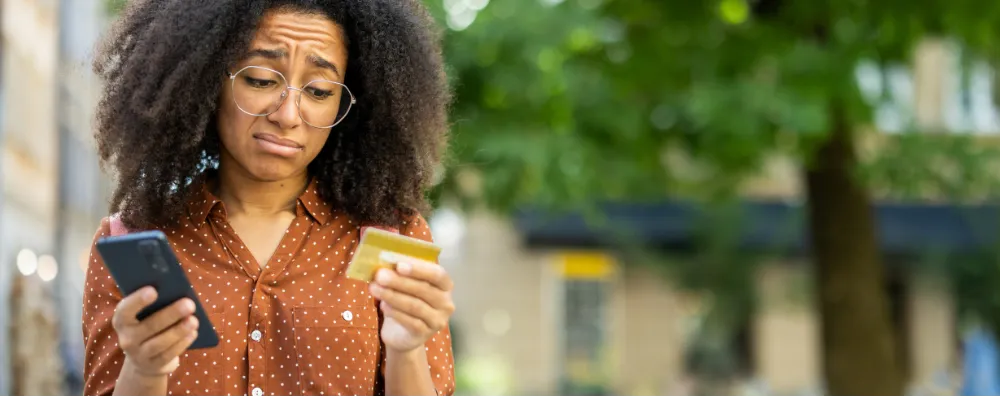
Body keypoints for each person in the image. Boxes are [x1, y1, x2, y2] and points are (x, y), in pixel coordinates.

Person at [81, 0, 455, 396]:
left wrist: (407, 351)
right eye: (260, 80)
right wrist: (144, 367)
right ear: (206, 80)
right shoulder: (131, 243)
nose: (288, 115)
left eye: (319, 90)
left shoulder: (392, 239)